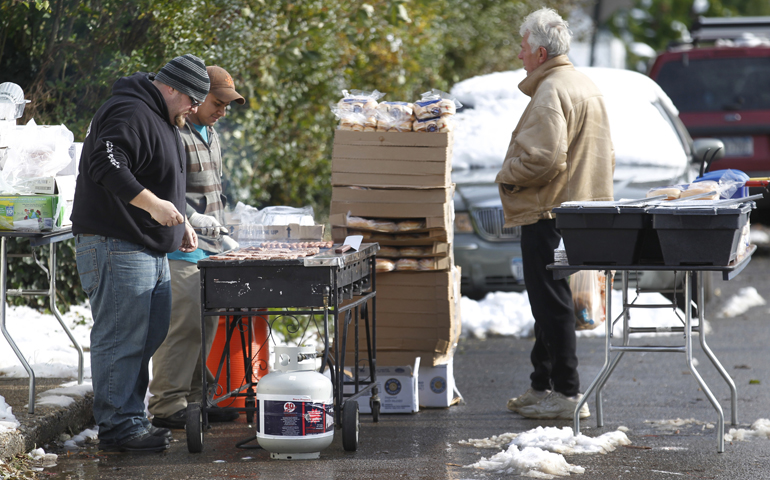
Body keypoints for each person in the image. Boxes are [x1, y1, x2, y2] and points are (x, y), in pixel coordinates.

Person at [71, 54, 208, 452]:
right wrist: (152, 205)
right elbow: (106, 161)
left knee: (149, 334)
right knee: (121, 339)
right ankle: (117, 428)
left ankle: (130, 417)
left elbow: (160, 177)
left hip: (146, 246)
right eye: (192, 99)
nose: (195, 108)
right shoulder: (129, 109)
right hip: (116, 243)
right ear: (170, 88)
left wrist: (182, 220)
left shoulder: (163, 118)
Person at [496, 8, 614, 420]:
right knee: (549, 301)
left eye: (524, 47)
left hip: (550, 212)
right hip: (578, 209)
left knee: (551, 303)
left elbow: (545, 159)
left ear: (541, 51)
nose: (520, 55)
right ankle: (541, 384)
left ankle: (566, 393)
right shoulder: (580, 82)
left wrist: (506, 174)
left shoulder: (551, 90)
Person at [148, 66, 244, 429]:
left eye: (227, 105)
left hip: (213, 246)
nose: (222, 111)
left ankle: (196, 399)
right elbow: (163, 188)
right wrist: (191, 218)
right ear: (198, 97)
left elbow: (212, 189)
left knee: (207, 326)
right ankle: (166, 405)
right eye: (217, 103)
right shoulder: (175, 128)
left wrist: (226, 222)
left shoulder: (211, 131)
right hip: (181, 247)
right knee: (183, 326)